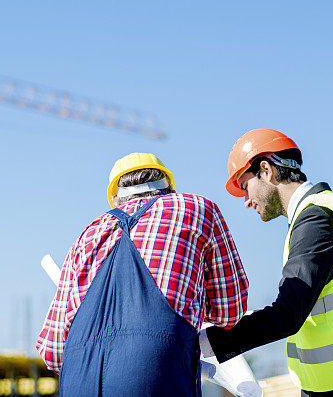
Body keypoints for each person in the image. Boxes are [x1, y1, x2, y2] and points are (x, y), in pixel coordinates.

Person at [200, 129, 333, 396]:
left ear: (266, 170)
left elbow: (287, 314)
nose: (247, 201)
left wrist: (206, 344)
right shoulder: (329, 211)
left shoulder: (316, 219)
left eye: (245, 186)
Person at [36, 152, 248, 396]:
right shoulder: (197, 209)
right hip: (156, 377)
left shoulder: (87, 235)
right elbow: (229, 312)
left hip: (79, 383)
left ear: (115, 197)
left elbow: (52, 352)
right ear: (168, 187)